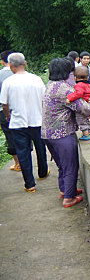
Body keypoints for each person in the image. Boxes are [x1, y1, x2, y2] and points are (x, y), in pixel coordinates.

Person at [42, 58, 90, 207]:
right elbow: (82, 108)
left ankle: (65, 190)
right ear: (67, 72)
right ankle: (69, 198)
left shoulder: (50, 85)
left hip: (47, 134)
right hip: (62, 134)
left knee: (62, 165)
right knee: (70, 166)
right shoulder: (65, 89)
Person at [0, 52, 48, 193]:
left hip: (18, 123)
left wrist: (8, 116)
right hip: (37, 120)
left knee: (23, 152)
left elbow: (4, 104)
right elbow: (44, 100)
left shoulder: (8, 82)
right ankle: (43, 172)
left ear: (11, 66)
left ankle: (30, 184)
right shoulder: (37, 79)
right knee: (40, 147)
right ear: (25, 64)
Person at [0, 50, 21, 171]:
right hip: (21, 108)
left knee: (10, 136)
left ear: (2, 62)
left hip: (4, 110)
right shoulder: (22, 73)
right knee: (24, 135)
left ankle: (18, 163)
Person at [66, 66, 90, 140]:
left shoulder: (78, 85)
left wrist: (69, 98)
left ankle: (85, 135)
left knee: (81, 120)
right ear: (87, 78)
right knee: (87, 119)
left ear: (75, 78)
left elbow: (79, 94)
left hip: (82, 106)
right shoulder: (87, 85)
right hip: (87, 104)